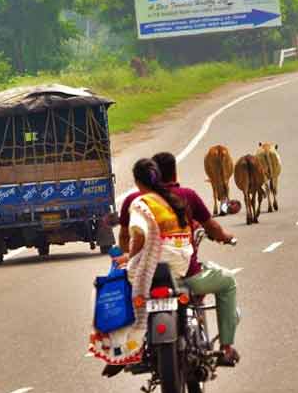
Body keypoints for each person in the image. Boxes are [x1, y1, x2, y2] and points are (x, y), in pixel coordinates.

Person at [116, 152, 241, 368]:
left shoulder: (132, 201)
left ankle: (121, 349)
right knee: (228, 282)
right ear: (174, 171)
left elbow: (127, 238)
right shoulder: (186, 196)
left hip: (146, 279)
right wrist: (225, 237)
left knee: (123, 293)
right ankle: (226, 347)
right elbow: (212, 227)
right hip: (186, 275)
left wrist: (129, 257)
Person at [90, 158, 194, 376]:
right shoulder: (173, 199)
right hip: (178, 265)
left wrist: (128, 256)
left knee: (116, 291)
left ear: (137, 181)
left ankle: (119, 350)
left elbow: (136, 233)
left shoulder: (138, 202)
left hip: (149, 266)